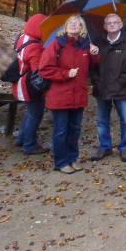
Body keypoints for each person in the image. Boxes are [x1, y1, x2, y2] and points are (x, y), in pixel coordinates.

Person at [38, 14, 100, 174]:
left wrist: (95, 53)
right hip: (60, 96)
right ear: (65, 26)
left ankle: (73, 158)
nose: (73, 24)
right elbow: (44, 69)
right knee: (61, 131)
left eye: (77, 23)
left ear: (82, 28)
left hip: (78, 95)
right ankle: (61, 162)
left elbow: (95, 65)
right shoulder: (57, 44)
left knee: (75, 129)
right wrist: (66, 74)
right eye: (70, 22)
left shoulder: (85, 45)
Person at [89, 13, 126, 163]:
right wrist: (96, 81)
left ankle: (124, 147)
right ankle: (105, 146)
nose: (112, 24)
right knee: (102, 120)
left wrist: (122, 81)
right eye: (109, 23)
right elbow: (91, 66)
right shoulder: (97, 42)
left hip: (121, 89)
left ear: (121, 25)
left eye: (115, 22)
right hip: (102, 88)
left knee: (125, 120)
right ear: (105, 26)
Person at [12, 13, 49, 155]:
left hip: (18, 82)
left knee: (30, 113)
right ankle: (29, 145)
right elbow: (38, 70)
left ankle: (21, 138)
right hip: (29, 86)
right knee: (35, 114)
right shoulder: (35, 46)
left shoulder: (22, 37)